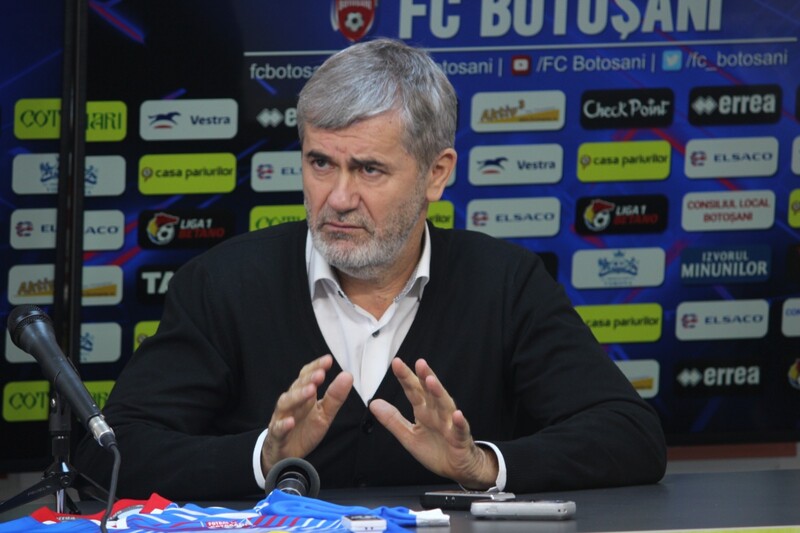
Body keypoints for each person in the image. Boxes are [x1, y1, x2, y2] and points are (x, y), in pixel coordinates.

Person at [74, 38, 667, 500]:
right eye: (320, 163)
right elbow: (109, 453)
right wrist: (262, 456)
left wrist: (481, 465)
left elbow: (630, 435)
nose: (337, 198)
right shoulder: (224, 284)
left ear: (437, 173)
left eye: (369, 170)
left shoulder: (505, 284)